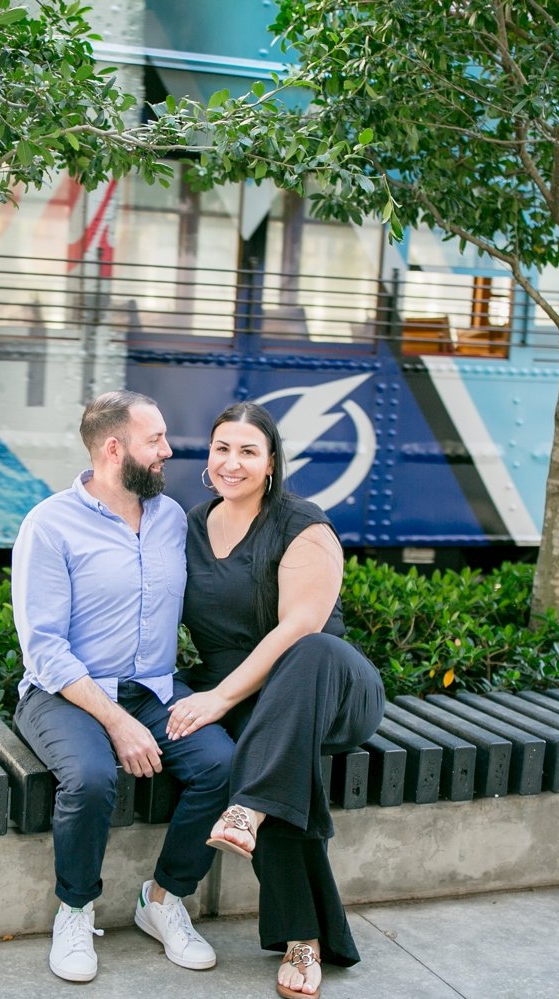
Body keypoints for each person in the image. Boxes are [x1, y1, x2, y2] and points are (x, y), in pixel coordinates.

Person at [11, 390, 235, 983]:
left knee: (222, 763)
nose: (168, 451)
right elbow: (45, 648)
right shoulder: (50, 525)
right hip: (65, 695)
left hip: (154, 691)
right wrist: (115, 721)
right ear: (115, 449)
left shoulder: (170, 519)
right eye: (155, 440)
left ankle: (162, 901)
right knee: (90, 777)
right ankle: (75, 910)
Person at [165, 401, 386, 999]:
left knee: (304, 656)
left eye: (247, 451)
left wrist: (215, 700)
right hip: (247, 699)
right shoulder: (188, 526)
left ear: (269, 464)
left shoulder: (302, 522)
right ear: (208, 458)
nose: (231, 462)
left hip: (326, 686)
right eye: (221, 449)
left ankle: (248, 811)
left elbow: (299, 626)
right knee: (271, 755)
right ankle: (305, 940)